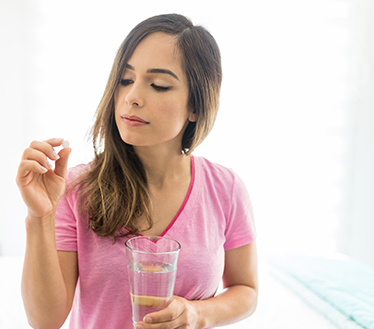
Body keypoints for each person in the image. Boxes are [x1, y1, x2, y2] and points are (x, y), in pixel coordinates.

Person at [16, 13, 258, 329]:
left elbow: (247, 291)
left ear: (196, 106)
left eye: (158, 85)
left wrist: (198, 314)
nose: (132, 98)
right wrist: (40, 218)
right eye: (126, 80)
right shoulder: (76, 188)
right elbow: (44, 321)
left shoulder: (225, 188)